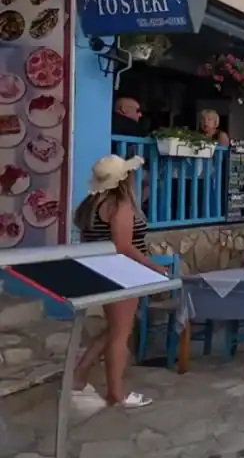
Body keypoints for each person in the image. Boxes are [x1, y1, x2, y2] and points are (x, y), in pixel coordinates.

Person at [73, 155, 167, 408]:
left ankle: (80, 374)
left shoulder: (89, 205)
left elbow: (89, 242)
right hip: (123, 272)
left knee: (115, 329)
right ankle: (116, 393)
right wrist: (155, 267)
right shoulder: (119, 204)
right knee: (120, 335)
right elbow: (124, 246)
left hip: (101, 270)